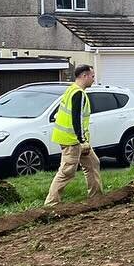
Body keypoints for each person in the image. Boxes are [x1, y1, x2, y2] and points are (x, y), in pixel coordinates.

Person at [44, 64, 103, 207]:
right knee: (67, 172)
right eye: (92, 76)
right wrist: (82, 140)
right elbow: (76, 118)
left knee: (93, 163)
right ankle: (51, 203)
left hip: (73, 139)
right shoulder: (78, 93)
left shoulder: (71, 90)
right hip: (72, 141)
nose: (93, 80)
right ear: (84, 76)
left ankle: (96, 198)